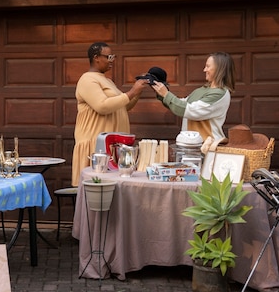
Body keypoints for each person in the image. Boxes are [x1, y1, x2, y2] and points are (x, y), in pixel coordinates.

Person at [71, 42, 149, 186]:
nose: (112, 60)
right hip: (96, 146)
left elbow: (124, 106)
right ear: (96, 58)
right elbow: (102, 106)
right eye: (109, 56)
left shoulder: (108, 81)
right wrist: (131, 92)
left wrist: (137, 91)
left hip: (112, 147)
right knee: (97, 193)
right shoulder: (87, 79)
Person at [150, 51, 235, 142]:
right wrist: (161, 93)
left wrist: (166, 94)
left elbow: (190, 110)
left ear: (219, 69)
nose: (204, 70)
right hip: (191, 146)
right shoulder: (201, 90)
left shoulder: (219, 93)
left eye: (208, 66)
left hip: (207, 148)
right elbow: (181, 104)